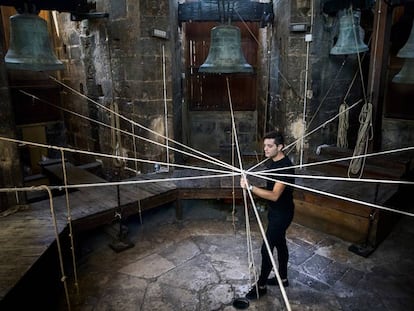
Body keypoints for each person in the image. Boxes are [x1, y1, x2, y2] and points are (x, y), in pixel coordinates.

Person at [240, 131, 295, 300]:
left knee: (266, 250)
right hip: (275, 211)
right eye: (265, 145)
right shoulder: (272, 162)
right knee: (280, 244)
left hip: (282, 214)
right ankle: (283, 278)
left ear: (280, 147)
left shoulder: (285, 167)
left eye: (270, 146)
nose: (265, 149)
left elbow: (274, 195)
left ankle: (261, 285)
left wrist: (250, 188)